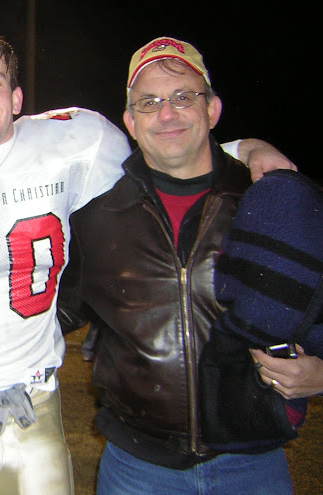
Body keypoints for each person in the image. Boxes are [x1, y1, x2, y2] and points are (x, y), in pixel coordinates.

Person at [0, 29, 297, 495]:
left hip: (33, 392)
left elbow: (163, 163)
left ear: (17, 97)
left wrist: (242, 150)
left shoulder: (77, 140)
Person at [58, 36, 323, 494]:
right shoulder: (94, 212)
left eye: (184, 97)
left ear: (212, 109)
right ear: (130, 122)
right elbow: (53, 305)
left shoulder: (271, 203)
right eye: (149, 102)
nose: (167, 113)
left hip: (252, 466)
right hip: (136, 468)